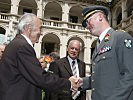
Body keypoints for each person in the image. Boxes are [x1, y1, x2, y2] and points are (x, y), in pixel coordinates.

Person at [0, 13, 79, 100]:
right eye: (40, 29)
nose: (41, 33)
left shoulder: (16, 44)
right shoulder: (23, 47)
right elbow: (40, 77)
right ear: (29, 28)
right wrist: (68, 84)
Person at [75, 5, 133, 100]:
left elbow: (130, 75)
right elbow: (101, 76)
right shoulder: (99, 45)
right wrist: (82, 82)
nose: (87, 27)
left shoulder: (120, 37)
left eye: (88, 22)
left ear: (100, 17)